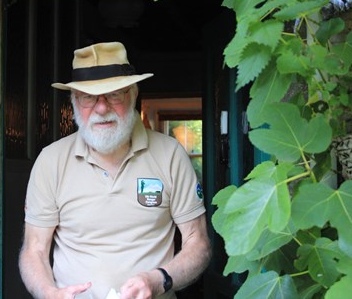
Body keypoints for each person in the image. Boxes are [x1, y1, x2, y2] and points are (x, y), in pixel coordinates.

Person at [19, 42, 211, 299]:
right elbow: (34, 250)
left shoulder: (170, 155)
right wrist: (48, 293)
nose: (101, 108)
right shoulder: (51, 161)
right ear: (75, 101)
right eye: (88, 97)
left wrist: (157, 280)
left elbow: (198, 244)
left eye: (114, 94)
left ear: (132, 94)